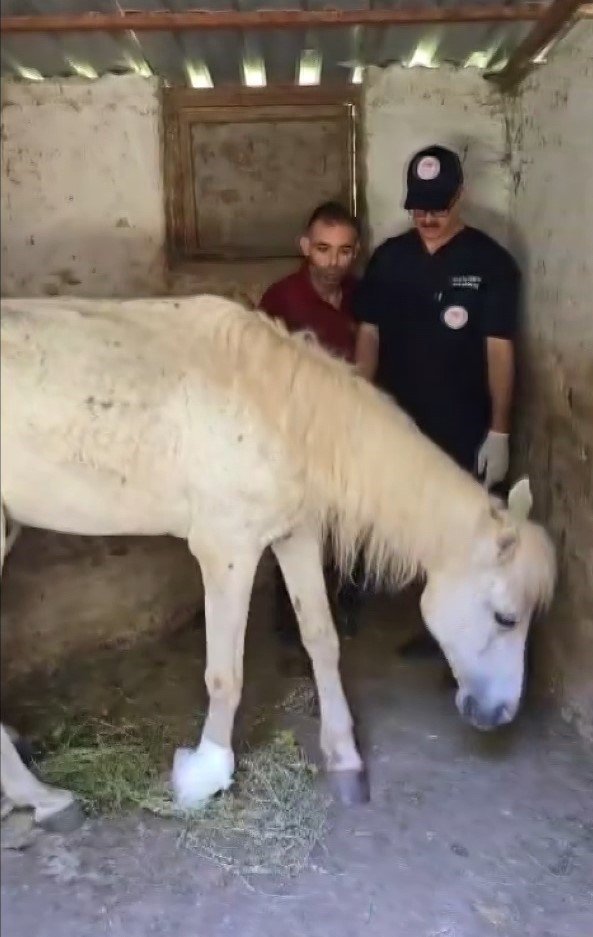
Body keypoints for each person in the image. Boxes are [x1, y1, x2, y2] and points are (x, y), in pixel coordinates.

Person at [354, 145, 521, 657]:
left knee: (466, 535)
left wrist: (498, 429)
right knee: (419, 532)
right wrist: (360, 403)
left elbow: (499, 349)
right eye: (418, 207)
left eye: (439, 207)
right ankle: (435, 625)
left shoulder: (490, 263)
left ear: (460, 197)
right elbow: (369, 335)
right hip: (403, 423)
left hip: (464, 422)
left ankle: (467, 646)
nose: (427, 218)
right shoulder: (389, 258)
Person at [259, 201, 367, 649]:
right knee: (297, 524)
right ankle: (292, 620)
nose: (332, 262)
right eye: (323, 249)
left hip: (353, 428)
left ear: (356, 251)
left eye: (344, 251)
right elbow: (260, 367)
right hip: (297, 430)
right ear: (305, 247)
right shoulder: (280, 298)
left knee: (348, 522)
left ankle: (343, 607)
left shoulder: (364, 296)